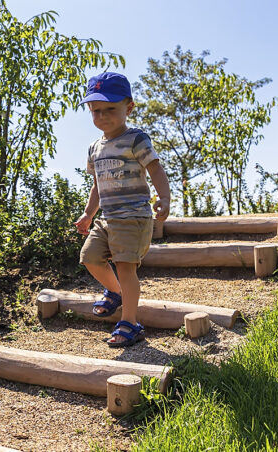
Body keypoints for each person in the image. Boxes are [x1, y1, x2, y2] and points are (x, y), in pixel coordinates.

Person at [74, 72, 171, 347]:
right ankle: (115, 293)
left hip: (134, 218)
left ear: (128, 107)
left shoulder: (136, 139)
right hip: (107, 219)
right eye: (96, 111)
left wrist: (164, 198)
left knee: (126, 268)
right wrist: (88, 213)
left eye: (110, 109)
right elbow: (97, 184)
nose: (102, 116)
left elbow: (155, 168)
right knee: (90, 257)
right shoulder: (94, 148)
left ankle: (129, 322)